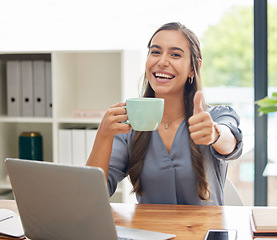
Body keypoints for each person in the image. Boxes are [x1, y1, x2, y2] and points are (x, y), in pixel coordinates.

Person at [87, 22, 243, 205]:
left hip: (203, 232)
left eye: (175, 54)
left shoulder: (215, 117)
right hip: (149, 233)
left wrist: (214, 134)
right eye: (155, 52)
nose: (162, 62)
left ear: (194, 67)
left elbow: (231, 142)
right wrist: (103, 135)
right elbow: (91, 196)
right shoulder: (129, 128)